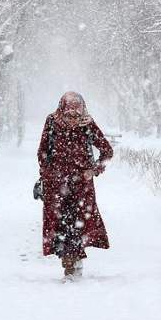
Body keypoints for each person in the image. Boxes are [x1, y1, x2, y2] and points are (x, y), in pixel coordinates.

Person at [37, 91, 114, 280]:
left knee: (77, 224)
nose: (72, 119)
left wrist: (94, 170)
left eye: (76, 114)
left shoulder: (87, 124)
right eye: (69, 114)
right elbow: (42, 152)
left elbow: (107, 151)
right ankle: (69, 262)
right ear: (62, 109)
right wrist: (48, 173)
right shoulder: (52, 122)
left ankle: (73, 263)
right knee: (60, 225)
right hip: (56, 186)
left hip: (81, 186)